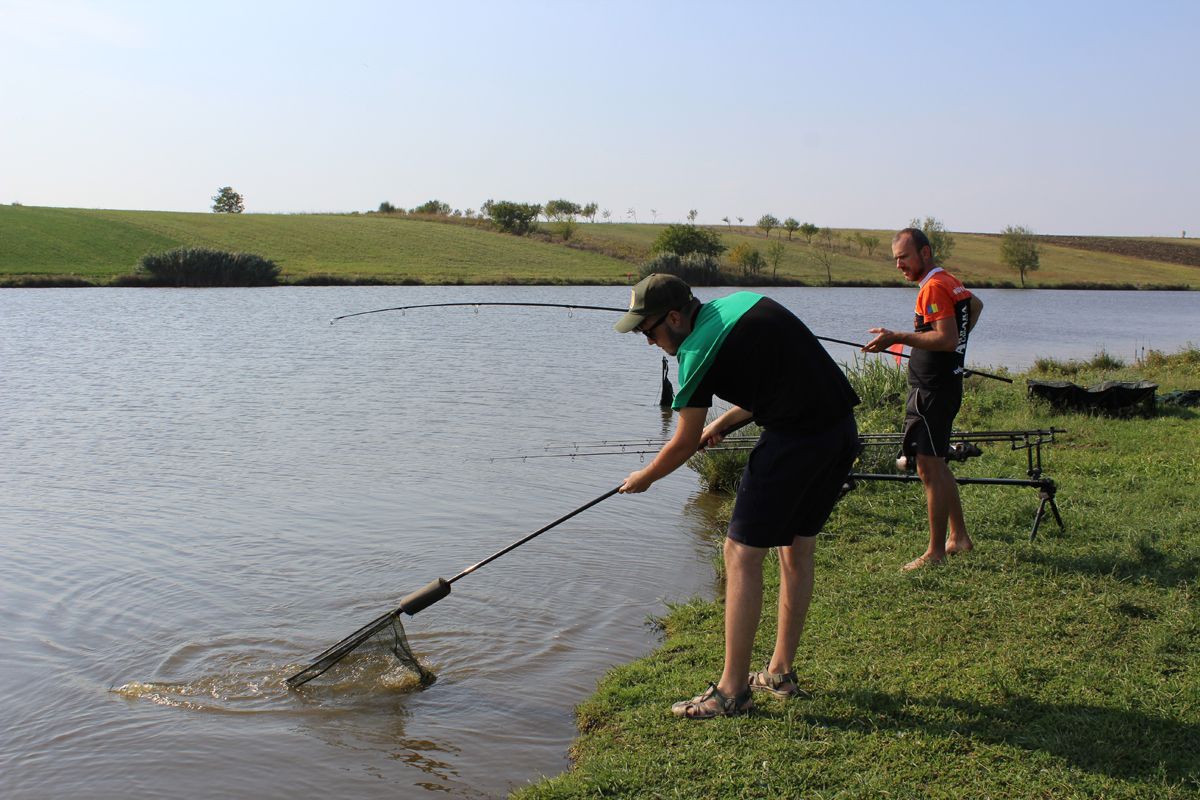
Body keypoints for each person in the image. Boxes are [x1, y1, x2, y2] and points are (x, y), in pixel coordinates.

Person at [615, 274, 860, 719]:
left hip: (793, 441)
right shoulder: (741, 304)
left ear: (674, 317)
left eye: (649, 331)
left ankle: (731, 693)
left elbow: (682, 442)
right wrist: (723, 423)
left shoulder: (694, 350)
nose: (649, 342)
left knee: (740, 553)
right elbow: (776, 380)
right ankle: (779, 673)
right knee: (796, 547)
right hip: (839, 433)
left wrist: (645, 477)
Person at [862, 228, 984, 570]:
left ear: (925, 253)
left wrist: (897, 337)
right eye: (896, 259)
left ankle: (935, 553)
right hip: (944, 385)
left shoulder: (932, 287)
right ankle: (959, 537)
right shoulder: (949, 280)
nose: (899, 265)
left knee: (927, 466)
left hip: (932, 390)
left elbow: (945, 339)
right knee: (938, 463)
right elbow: (975, 306)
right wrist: (960, 342)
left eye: (904, 257)